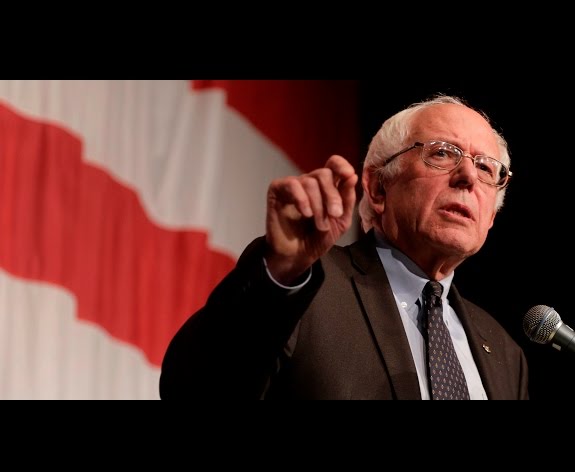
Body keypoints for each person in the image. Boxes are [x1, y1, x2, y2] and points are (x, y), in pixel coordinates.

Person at [159, 94, 529, 400]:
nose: (468, 176)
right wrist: (280, 276)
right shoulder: (304, 285)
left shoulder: (504, 352)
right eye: (443, 153)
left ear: (491, 216)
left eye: (486, 168)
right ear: (379, 188)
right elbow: (193, 389)